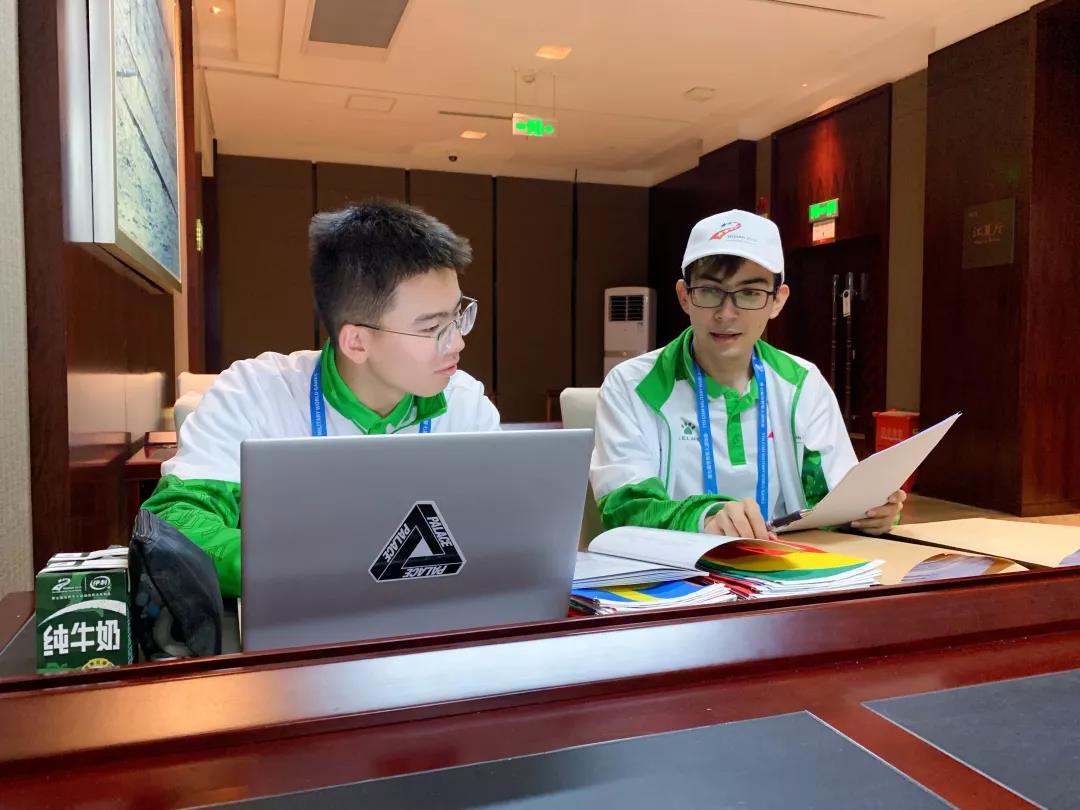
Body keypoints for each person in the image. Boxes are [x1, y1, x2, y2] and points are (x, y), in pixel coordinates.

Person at [143, 200, 500, 596]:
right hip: (304, 619)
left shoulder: (466, 404)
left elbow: (504, 526)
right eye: (433, 327)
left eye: (457, 316)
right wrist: (313, 568)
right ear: (357, 342)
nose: (458, 342)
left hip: (435, 615)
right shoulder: (255, 395)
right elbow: (174, 523)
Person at [590, 209, 904, 540]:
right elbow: (625, 506)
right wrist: (706, 519)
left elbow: (830, 498)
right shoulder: (632, 386)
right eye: (710, 291)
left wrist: (867, 512)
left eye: (750, 293)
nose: (726, 314)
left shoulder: (802, 383)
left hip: (783, 564)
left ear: (777, 301)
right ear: (684, 296)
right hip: (673, 567)